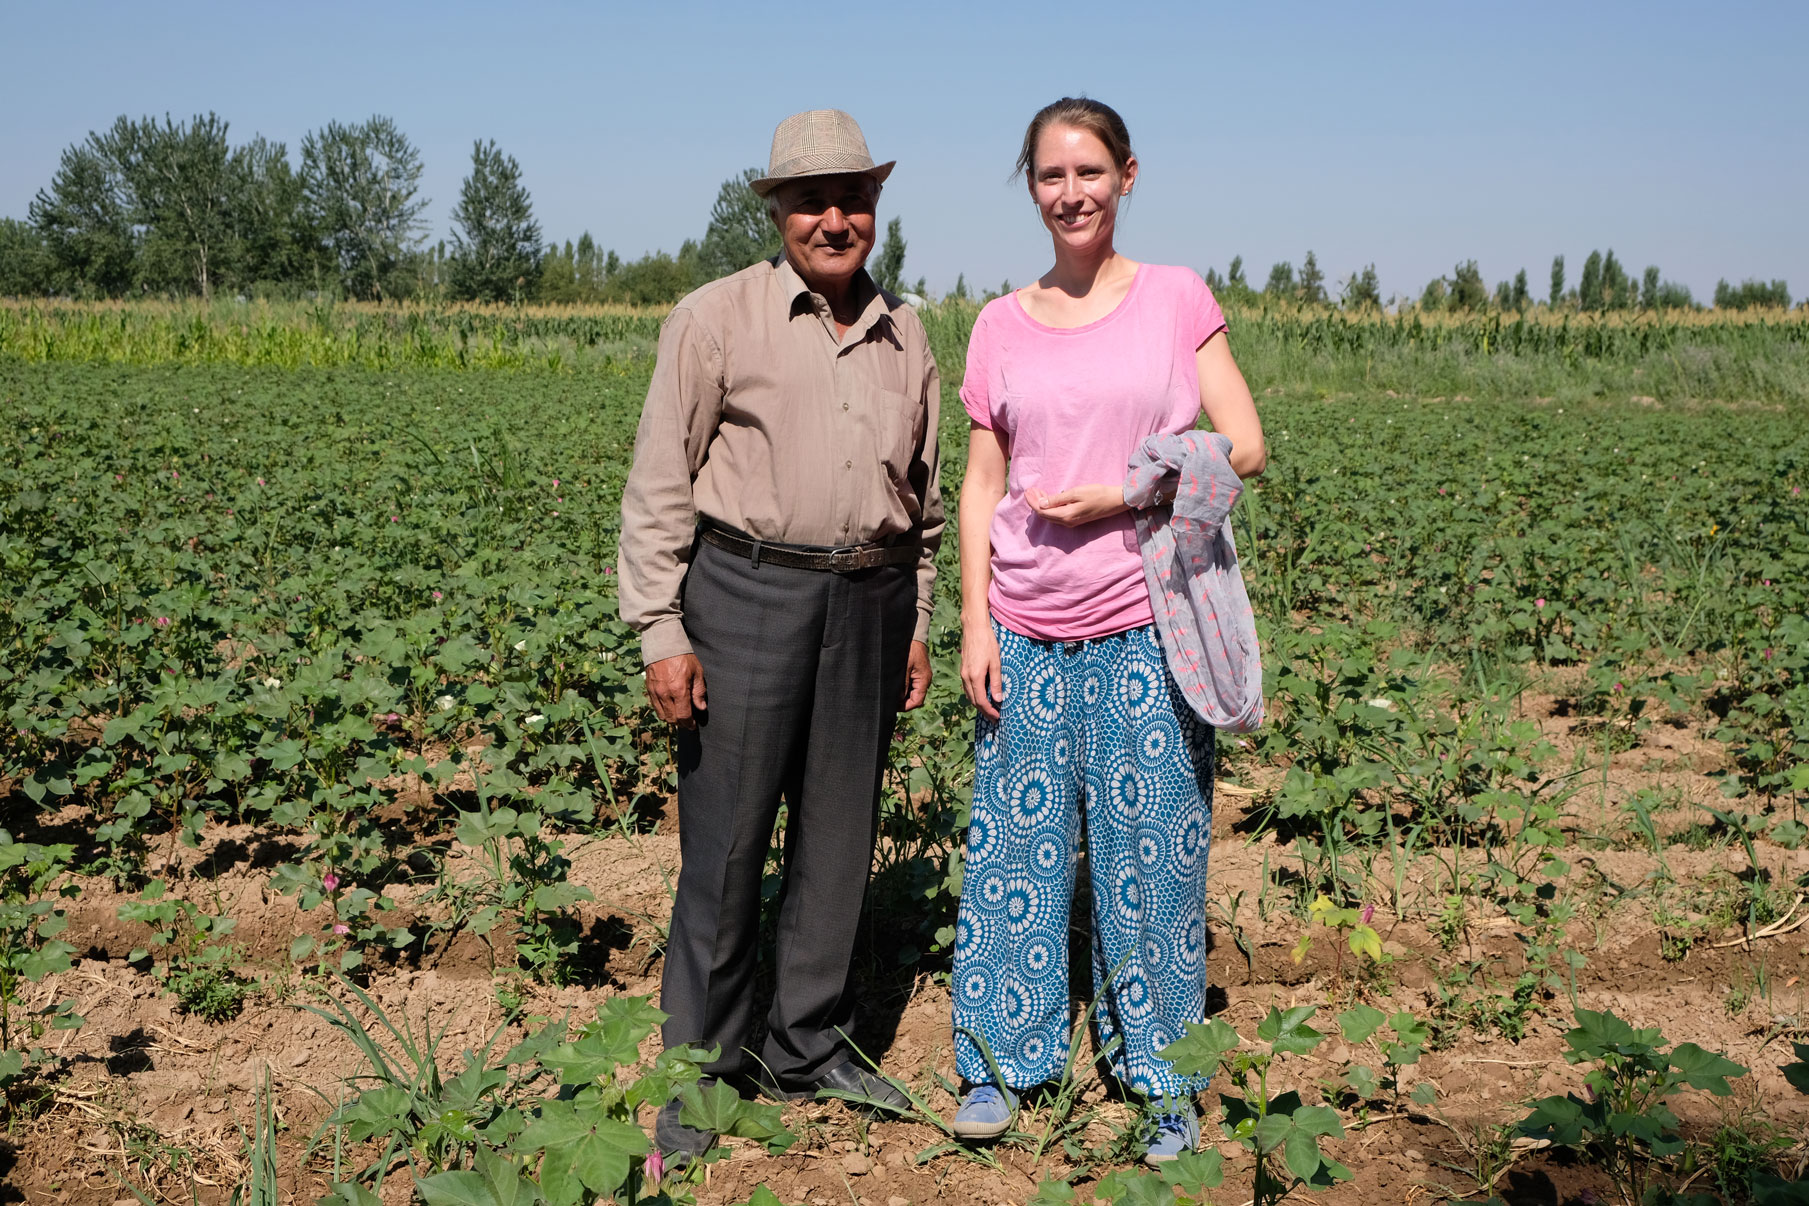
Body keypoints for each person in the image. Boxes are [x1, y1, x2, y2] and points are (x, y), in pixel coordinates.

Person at [617, 108, 942, 1161]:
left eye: (853, 199)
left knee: (840, 843)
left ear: (875, 210)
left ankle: (804, 1043)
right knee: (724, 847)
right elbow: (661, 483)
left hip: (871, 601)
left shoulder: (911, 332)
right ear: (778, 211)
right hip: (745, 595)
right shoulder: (717, 319)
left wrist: (918, 620)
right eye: (812, 201)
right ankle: (698, 1080)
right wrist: (662, 628)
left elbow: (926, 504)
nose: (835, 218)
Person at [946, 97, 1266, 1165]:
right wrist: (973, 621)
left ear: (1128, 175)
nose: (1070, 193)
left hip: (1147, 623)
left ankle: (1164, 1082)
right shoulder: (999, 323)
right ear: (1029, 186)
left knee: (1155, 862)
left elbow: (1247, 444)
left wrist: (1126, 494)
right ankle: (997, 1065)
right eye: (1049, 176)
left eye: (1089, 172)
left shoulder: (1176, 299)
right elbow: (980, 484)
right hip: (1027, 623)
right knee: (1012, 859)